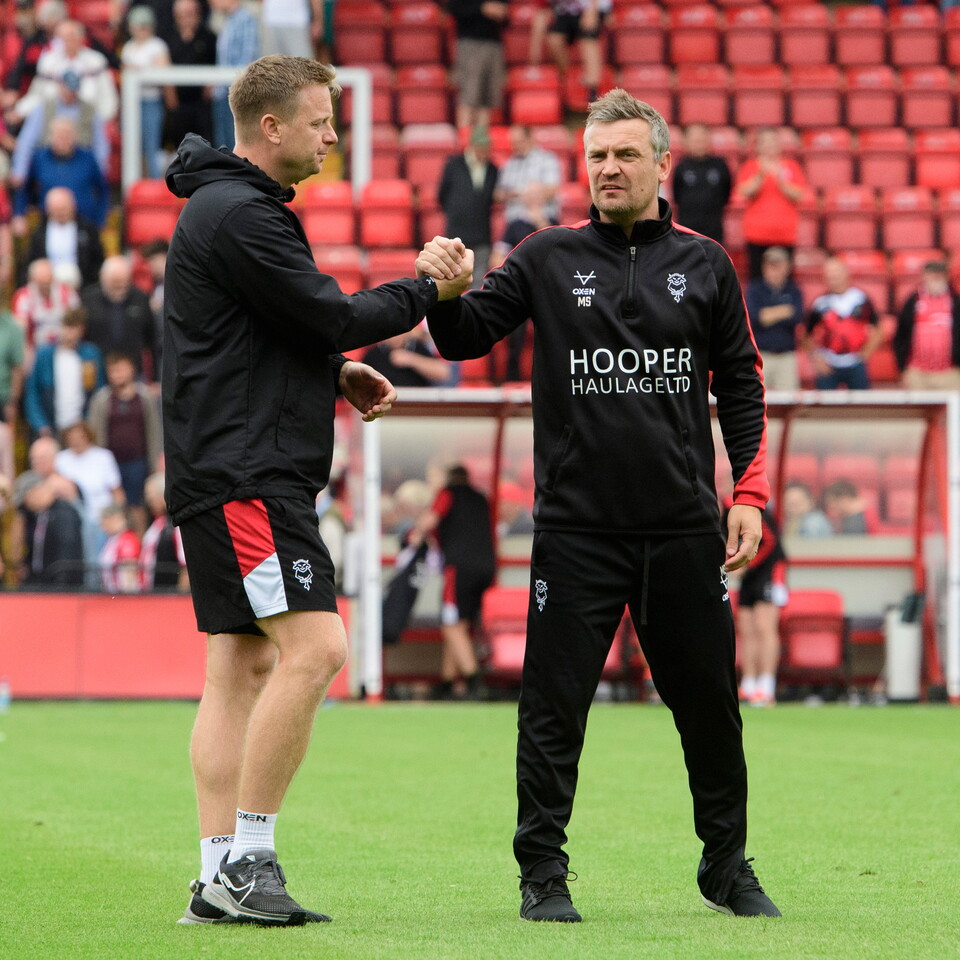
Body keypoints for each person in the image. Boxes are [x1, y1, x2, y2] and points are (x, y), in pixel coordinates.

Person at [418, 88, 780, 921]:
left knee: (711, 714)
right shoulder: (544, 255)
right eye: (595, 157)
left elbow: (745, 391)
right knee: (553, 713)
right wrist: (443, 289)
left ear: (661, 163)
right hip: (578, 534)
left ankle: (726, 865)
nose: (608, 169)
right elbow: (469, 335)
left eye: (623, 154)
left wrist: (750, 494)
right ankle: (542, 875)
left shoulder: (708, 264)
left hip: (685, 531)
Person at [162, 54, 471, 926]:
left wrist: (334, 372)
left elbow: (260, 333)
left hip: (224, 468)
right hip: (247, 475)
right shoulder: (240, 214)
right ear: (271, 127)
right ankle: (248, 863)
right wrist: (430, 290)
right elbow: (326, 310)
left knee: (243, 664)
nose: (333, 135)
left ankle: (216, 873)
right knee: (319, 648)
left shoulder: (223, 209)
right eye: (321, 121)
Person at [408, 463, 495, 700]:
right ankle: (448, 682)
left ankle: (473, 680)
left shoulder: (448, 494)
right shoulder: (480, 498)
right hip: (485, 568)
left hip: (459, 568)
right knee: (462, 624)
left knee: (451, 624)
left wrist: (415, 536)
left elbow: (429, 521)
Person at [86, 351, 162, 533]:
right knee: (114, 506)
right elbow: (94, 432)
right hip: (110, 463)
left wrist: (156, 461)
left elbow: (154, 430)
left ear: (131, 370)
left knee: (137, 506)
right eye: (113, 371)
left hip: (138, 460)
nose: (118, 374)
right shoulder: (101, 399)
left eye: (121, 369)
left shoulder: (144, 397)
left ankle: (139, 546)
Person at [725, 503, 786, 709]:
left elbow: (769, 540)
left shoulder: (749, 507)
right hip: (749, 577)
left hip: (769, 573)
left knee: (764, 628)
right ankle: (749, 684)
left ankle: (767, 686)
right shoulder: (724, 510)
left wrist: (747, 565)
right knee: (747, 629)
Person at [11, 18, 118, 124]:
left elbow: (108, 96)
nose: (68, 42)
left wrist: (103, 120)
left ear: (81, 38)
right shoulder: (48, 62)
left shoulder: (96, 61)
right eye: (64, 38)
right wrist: (20, 111)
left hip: (88, 120)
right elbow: (37, 95)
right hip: (53, 120)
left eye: (72, 37)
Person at [9, 70, 110, 182]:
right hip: (49, 162)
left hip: (80, 163)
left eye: (74, 89)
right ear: (60, 86)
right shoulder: (43, 108)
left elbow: (101, 144)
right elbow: (27, 141)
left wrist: (100, 171)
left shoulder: (90, 111)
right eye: (68, 89)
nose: (71, 93)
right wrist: (19, 171)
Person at [734, 128, 807, 280]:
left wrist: (780, 178)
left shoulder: (791, 166)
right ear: (758, 147)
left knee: (784, 281)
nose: (769, 146)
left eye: (773, 142)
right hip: (756, 235)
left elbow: (798, 194)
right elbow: (745, 192)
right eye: (765, 143)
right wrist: (761, 175)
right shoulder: (750, 166)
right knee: (757, 279)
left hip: (785, 235)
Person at [12, 116, 110, 229]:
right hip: (48, 223)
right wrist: (19, 214)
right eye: (59, 135)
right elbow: (25, 188)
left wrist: (100, 219)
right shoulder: (40, 158)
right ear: (51, 136)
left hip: (84, 222)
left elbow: (102, 190)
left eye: (67, 135)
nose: (63, 139)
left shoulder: (88, 158)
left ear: (74, 136)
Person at [23, 306, 105, 439]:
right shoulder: (44, 354)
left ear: (82, 330)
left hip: (81, 429)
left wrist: (89, 423)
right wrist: (40, 424)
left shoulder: (91, 354)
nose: (70, 334)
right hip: (50, 427)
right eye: (67, 327)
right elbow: (32, 393)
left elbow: (98, 392)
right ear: (60, 327)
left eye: (75, 329)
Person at [14, 436, 85, 587]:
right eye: (33, 458)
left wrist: (62, 582)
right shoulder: (31, 485)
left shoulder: (65, 490)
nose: (36, 462)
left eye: (41, 458)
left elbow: (69, 543)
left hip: (60, 578)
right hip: (38, 575)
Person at [806, 257, 882, 391]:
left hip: (855, 363)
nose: (833, 277)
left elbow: (878, 329)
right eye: (829, 274)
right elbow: (806, 335)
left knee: (861, 408)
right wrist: (816, 357)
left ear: (846, 274)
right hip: (828, 363)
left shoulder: (861, 299)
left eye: (836, 273)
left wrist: (865, 354)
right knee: (824, 409)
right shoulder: (820, 303)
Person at [437, 125, 498, 286]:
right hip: (457, 232)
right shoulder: (454, 164)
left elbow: (490, 200)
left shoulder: (492, 169)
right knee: (452, 278)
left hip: (481, 233)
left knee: (478, 281)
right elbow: (442, 195)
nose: (484, 151)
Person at [81, 255, 158, 381]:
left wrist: (154, 379)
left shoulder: (141, 299)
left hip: (134, 371)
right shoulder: (88, 300)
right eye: (115, 282)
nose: (120, 286)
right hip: (99, 372)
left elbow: (152, 341)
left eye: (124, 281)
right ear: (102, 278)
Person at [17, 186, 105, 288]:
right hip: (47, 286)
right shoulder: (39, 233)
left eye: (64, 208)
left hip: (83, 285)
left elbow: (97, 261)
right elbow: (30, 262)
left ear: (73, 206)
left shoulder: (88, 230)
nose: (60, 213)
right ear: (48, 210)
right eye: (56, 209)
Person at [120, 6, 171, 179]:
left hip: (151, 101)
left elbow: (163, 74)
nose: (141, 29)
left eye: (144, 25)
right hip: (132, 103)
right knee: (134, 146)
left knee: (152, 145)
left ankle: (155, 183)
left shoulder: (157, 45)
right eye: (138, 25)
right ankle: (136, 182)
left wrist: (139, 71)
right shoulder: (128, 47)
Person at [893, 260, 960, 391]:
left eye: (939, 274)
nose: (935, 278)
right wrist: (902, 368)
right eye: (931, 274)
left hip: (950, 373)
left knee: (952, 411)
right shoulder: (912, 302)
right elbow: (900, 336)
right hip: (917, 373)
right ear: (924, 276)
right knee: (917, 411)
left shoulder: (956, 302)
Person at [529, 0, 611, 107]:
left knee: (588, 39)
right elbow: (542, 11)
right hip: (565, 11)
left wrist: (592, 11)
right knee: (554, 40)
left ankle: (593, 91)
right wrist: (534, 53)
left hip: (589, 7)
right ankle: (567, 80)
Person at [744, 247, 804, 391]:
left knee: (789, 402)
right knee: (755, 397)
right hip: (761, 355)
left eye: (778, 265)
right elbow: (756, 318)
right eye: (770, 265)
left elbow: (797, 316)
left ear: (787, 267)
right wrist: (784, 311)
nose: (774, 269)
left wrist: (768, 314)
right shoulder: (755, 289)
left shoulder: (794, 290)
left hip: (786, 355)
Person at [11, 256, 82, 368]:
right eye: (41, 283)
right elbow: (19, 330)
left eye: (48, 282)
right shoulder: (23, 297)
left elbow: (77, 322)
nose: (45, 286)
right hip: (35, 351)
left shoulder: (68, 293)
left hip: (65, 348)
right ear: (31, 280)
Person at [447, 0, 508, 131]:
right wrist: (482, 8)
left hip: (494, 43)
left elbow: (506, 17)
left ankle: (481, 144)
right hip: (470, 42)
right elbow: (454, 8)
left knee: (487, 100)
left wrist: (502, 12)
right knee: (469, 96)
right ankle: (464, 143)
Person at [164, 0, 217, 147]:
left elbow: (216, 65)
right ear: (176, 16)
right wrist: (170, 94)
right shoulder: (169, 39)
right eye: (183, 15)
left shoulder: (209, 37)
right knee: (180, 146)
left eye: (191, 14)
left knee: (206, 144)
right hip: (178, 103)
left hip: (202, 103)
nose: (187, 19)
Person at [209, 0, 259, 151]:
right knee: (222, 144)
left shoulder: (245, 19)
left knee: (235, 144)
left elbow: (247, 58)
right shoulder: (227, 20)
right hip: (222, 92)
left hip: (236, 93)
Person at [671, 123, 732, 245]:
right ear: (686, 142)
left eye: (702, 139)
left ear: (709, 140)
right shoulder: (681, 167)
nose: (699, 143)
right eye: (695, 140)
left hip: (714, 228)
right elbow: (677, 195)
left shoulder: (720, 165)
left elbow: (727, 192)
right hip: (687, 228)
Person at [495, 124, 563, 227]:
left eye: (519, 142)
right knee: (502, 243)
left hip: (542, 217)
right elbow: (498, 194)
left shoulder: (547, 159)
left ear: (530, 138)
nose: (515, 146)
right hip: (514, 221)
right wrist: (524, 193)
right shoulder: (509, 164)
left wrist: (527, 196)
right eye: (513, 143)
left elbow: (551, 190)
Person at [140, 470, 189, 590]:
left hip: (166, 594)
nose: (149, 501)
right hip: (152, 593)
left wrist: (179, 596)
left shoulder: (175, 525)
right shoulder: (158, 523)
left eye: (151, 496)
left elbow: (185, 566)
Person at [362, 324, 453, 388]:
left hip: (415, 403)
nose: (395, 337)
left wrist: (411, 359)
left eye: (399, 332)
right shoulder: (374, 354)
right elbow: (361, 381)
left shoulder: (417, 348)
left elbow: (444, 373)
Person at [98, 502, 141, 592]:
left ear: (115, 518)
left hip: (121, 595)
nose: (103, 527)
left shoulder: (127, 540)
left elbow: (129, 572)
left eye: (105, 522)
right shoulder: (113, 540)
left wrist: (126, 597)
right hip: (112, 593)